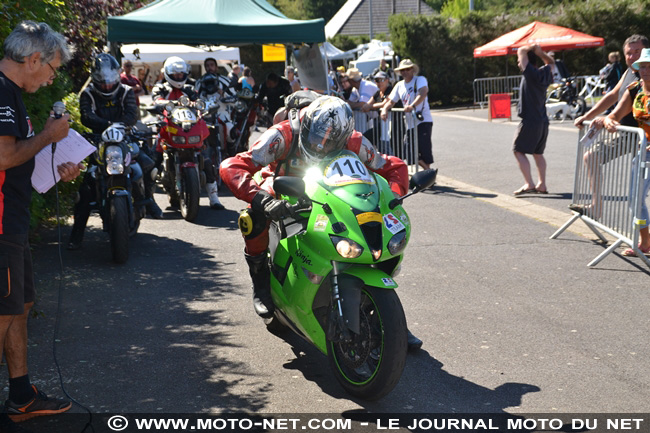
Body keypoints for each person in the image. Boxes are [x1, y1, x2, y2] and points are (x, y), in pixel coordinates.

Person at [219, 95, 423, 351]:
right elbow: (233, 165)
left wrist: (392, 199)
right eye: (318, 138)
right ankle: (260, 280)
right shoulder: (282, 134)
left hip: (333, 195)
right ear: (306, 125)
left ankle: (387, 316)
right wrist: (261, 198)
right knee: (252, 217)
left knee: (371, 236)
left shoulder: (355, 141)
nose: (322, 145)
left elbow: (394, 167)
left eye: (332, 143)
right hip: (285, 190)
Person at [0, 20, 82, 429]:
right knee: (2, 312)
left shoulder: (11, 94)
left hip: (12, 224)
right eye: (51, 70)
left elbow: (18, 162)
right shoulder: (0, 91)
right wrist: (49, 136)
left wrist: (55, 166)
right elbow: (2, 157)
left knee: (20, 306)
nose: (52, 78)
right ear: (33, 59)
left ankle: (22, 395)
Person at [68, 54, 164, 250]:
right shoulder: (88, 93)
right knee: (85, 189)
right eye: (102, 83)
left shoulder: (126, 91)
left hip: (125, 136)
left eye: (110, 82)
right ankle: (76, 234)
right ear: (95, 79)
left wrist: (121, 127)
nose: (106, 86)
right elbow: (86, 116)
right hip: (97, 141)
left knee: (146, 164)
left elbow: (131, 114)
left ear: (117, 77)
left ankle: (149, 201)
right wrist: (108, 125)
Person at [571, 35, 649, 216]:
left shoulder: (644, 76)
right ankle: (597, 206)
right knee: (591, 156)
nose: (633, 57)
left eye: (637, 52)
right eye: (629, 53)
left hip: (641, 135)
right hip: (626, 133)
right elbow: (612, 96)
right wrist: (588, 116)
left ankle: (642, 237)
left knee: (638, 192)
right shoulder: (629, 73)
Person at [152, 56, 224, 210]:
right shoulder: (161, 88)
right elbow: (156, 100)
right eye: (175, 74)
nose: (178, 77)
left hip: (190, 129)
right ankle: (147, 198)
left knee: (206, 159)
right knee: (153, 159)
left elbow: (200, 103)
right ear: (168, 74)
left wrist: (203, 106)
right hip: (169, 129)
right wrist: (167, 103)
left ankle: (214, 197)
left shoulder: (190, 88)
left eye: (180, 74)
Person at [602, 48, 650, 256]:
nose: (646, 71)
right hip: (644, 152)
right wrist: (608, 121)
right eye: (643, 66)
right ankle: (645, 242)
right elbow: (614, 115)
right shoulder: (634, 89)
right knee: (634, 198)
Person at [507, 45, 554, 196]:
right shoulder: (544, 73)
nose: (518, 63)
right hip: (542, 120)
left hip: (530, 120)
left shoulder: (530, 74)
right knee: (537, 153)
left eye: (519, 61)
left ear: (526, 60)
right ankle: (542, 184)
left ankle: (529, 183)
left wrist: (531, 47)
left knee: (518, 150)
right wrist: (541, 53)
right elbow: (552, 63)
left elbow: (521, 51)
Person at [380, 59, 434, 170]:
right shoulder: (399, 85)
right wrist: (384, 109)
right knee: (409, 151)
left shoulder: (420, 80)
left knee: (424, 150)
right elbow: (391, 100)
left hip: (423, 121)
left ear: (413, 70)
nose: (405, 72)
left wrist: (412, 106)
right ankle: (428, 172)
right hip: (410, 123)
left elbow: (423, 92)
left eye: (407, 69)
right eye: (402, 70)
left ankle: (427, 175)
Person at [367, 71, 394, 154]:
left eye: (381, 80)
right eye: (377, 80)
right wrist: (368, 106)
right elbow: (367, 104)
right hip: (381, 126)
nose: (379, 82)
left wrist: (370, 107)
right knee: (380, 147)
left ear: (387, 80)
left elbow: (384, 103)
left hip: (393, 125)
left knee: (392, 150)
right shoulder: (377, 93)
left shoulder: (390, 90)